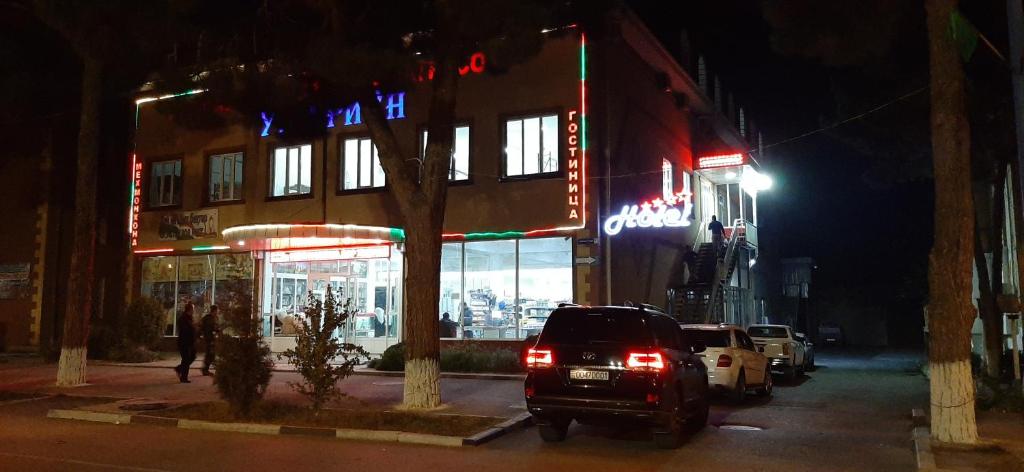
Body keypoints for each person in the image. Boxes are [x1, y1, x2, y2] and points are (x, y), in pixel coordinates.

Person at [174, 303, 197, 383]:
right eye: (193, 309)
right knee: (186, 359)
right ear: (190, 309)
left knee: (192, 356)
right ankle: (184, 377)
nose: (194, 310)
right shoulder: (183, 318)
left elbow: (192, 329)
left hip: (190, 342)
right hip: (184, 342)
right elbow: (185, 330)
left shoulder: (190, 318)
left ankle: (179, 368)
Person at [199, 305, 220, 376]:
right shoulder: (210, 319)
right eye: (217, 311)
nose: (218, 312)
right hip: (209, 339)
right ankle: (205, 369)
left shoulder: (208, 318)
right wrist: (217, 331)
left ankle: (205, 369)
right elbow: (212, 329)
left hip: (208, 338)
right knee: (210, 354)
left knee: (210, 354)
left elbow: (201, 327)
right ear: (214, 311)